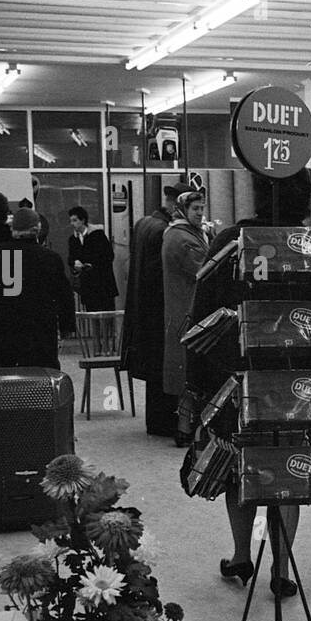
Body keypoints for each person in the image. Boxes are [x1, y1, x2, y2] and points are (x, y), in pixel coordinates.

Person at [183, 169, 311, 599]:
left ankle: (242, 556)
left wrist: (196, 385)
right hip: (297, 378)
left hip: (234, 377)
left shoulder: (228, 242)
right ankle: (281, 569)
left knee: (240, 468)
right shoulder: (310, 245)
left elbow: (201, 316)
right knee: (290, 469)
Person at [0, 207, 75, 370]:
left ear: (13, 229)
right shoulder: (50, 258)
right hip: (41, 334)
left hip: (3, 333)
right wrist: (66, 326)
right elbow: (64, 295)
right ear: (38, 230)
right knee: (42, 379)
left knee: (7, 380)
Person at [122, 183, 188, 437]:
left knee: (154, 374)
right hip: (160, 310)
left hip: (142, 309)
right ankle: (165, 424)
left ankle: (155, 422)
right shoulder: (165, 232)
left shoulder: (144, 223)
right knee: (165, 370)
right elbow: (161, 274)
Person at [162, 188, 210, 444]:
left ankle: (184, 427)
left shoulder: (179, 233)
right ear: (183, 210)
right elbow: (204, 270)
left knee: (186, 373)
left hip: (180, 310)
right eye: (196, 209)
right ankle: (184, 427)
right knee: (189, 373)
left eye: (202, 208)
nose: (200, 214)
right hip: (188, 311)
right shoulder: (183, 239)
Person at [66, 206, 117, 311]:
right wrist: (74, 263)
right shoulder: (73, 239)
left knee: (106, 314)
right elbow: (71, 258)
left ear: (83, 220)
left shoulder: (98, 235)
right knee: (92, 313)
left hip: (103, 283)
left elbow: (109, 256)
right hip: (87, 285)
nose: (72, 224)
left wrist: (92, 265)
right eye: (71, 221)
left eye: (75, 220)